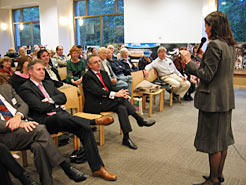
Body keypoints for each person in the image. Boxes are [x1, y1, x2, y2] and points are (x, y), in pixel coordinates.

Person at [18, 59, 117, 181]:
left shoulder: (48, 83)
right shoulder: (25, 88)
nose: (42, 72)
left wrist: (51, 100)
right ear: (30, 72)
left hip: (63, 118)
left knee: (85, 129)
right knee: (60, 116)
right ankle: (92, 121)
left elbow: (63, 98)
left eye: (43, 69)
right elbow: (39, 107)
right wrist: (55, 103)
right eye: (39, 69)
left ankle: (97, 168)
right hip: (45, 122)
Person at [180, 11, 237, 185]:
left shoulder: (214, 45)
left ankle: (213, 180)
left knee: (214, 142)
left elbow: (206, 75)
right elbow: (217, 70)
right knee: (223, 140)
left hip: (212, 101)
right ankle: (218, 175)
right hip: (225, 98)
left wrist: (189, 62)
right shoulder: (230, 45)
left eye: (207, 26)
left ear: (214, 26)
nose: (205, 30)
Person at [0, 84, 87, 185]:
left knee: (39, 145)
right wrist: (18, 123)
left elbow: (23, 105)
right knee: (40, 130)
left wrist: (18, 116)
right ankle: (66, 167)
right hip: (6, 135)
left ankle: (47, 182)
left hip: (25, 127)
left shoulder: (6, 88)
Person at [82, 54, 156, 150]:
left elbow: (110, 87)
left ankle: (126, 137)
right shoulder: (87, 76)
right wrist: (116, 95)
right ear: (89, 65)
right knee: (121, 100)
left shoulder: (103, 73)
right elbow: (97, 91)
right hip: (96, 103)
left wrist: (119, 93)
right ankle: (139, 120)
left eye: (99, 61)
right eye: (95, 62)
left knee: (122, 108)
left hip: (107, 101)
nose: (98, 64)